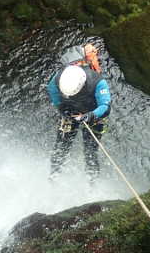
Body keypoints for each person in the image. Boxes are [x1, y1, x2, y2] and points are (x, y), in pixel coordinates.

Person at [47, 44, 111, 183]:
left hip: (94, 116)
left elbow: (105, 106)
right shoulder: (59, 78)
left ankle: (92, 181)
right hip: (71, 113)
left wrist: (90, 116)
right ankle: (54, 176)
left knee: (90, 151)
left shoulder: (98, 82)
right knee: (61, 147)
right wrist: (62, 109)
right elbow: (52, 90)